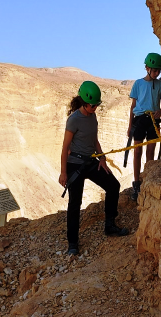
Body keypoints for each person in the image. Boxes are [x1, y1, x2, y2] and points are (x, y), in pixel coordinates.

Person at [60, 81, 129, 256]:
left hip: (91, 162)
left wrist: (102, 158)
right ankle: (73, 243)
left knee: (113, 186)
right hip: (75, 164)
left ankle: (110, 225)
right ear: (84, 102)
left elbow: (94, 140)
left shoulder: (92, 116)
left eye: (97, 105)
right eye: (93, 105)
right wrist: (63, 172)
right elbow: (64, 147)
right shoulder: (74, 119)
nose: (95, 108)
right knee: (75, 203)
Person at [127, 53, 161, 202]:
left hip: (153, 120)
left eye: (159, 71)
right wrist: (130, 126)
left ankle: (147, 181)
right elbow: (133, 106)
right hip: (139, 120)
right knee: (137, 151)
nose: (157, 73)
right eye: (154, 70)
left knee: (150, 152)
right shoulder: (138, 84)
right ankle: (136, 183)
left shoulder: (160, 85)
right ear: (147, 68)